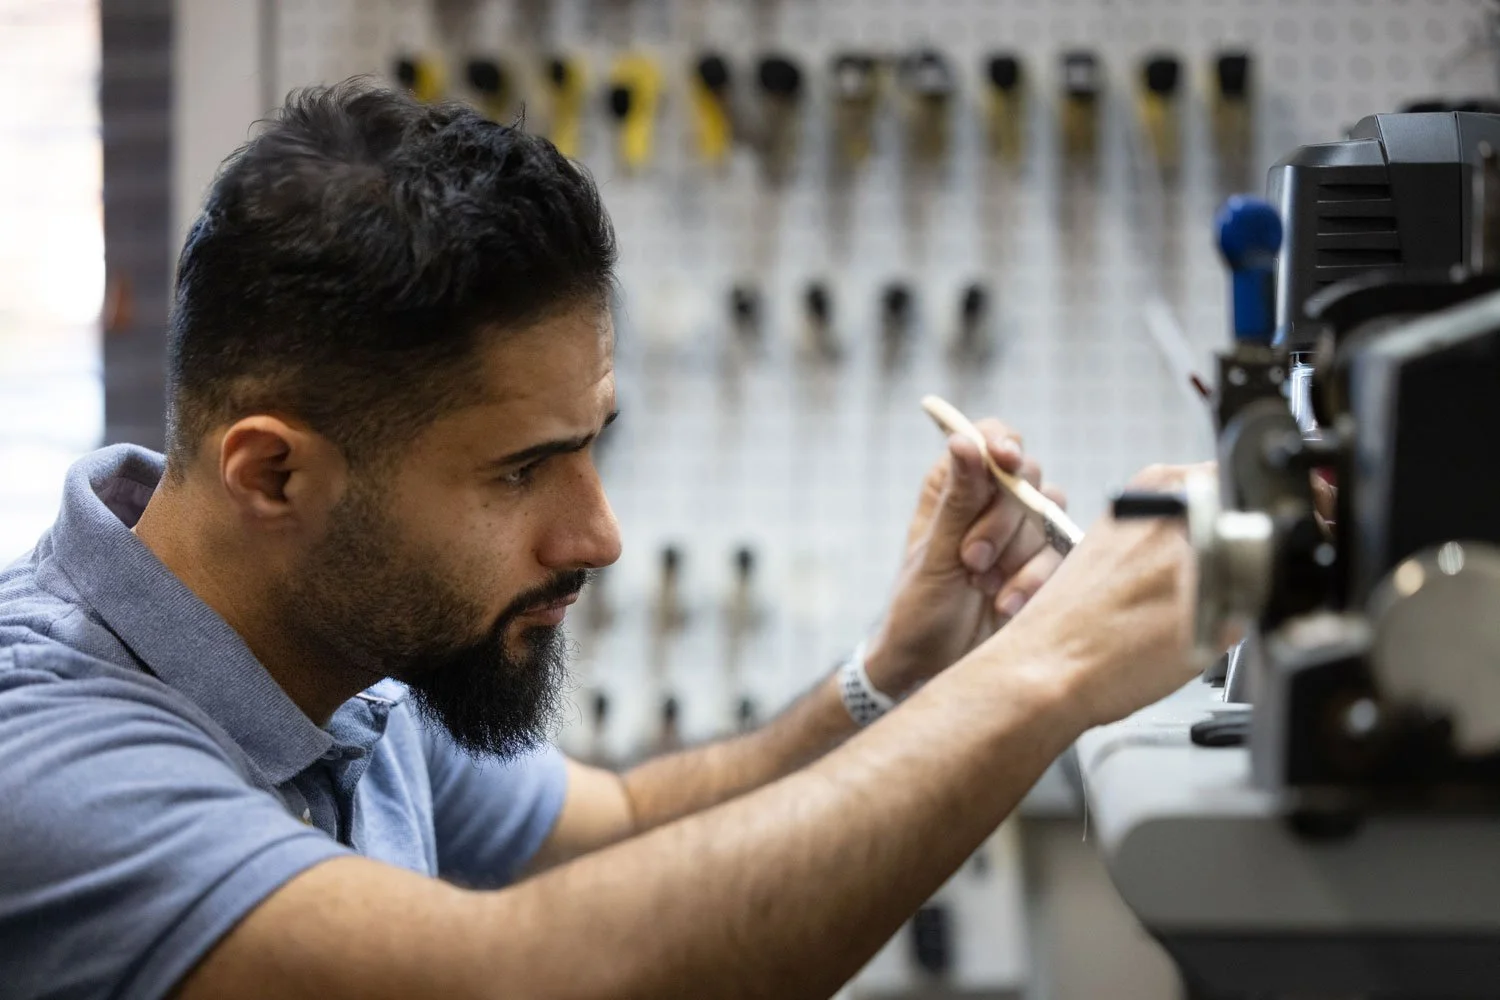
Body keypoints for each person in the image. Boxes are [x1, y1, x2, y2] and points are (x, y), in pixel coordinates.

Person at [0, 80, 1199, 1000]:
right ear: (275, 473)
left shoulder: (346, 664)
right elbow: (530, 975)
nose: (599, 533)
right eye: (523, 469)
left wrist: (899, 675)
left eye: (593, 446)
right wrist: (1051, 671)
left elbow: (618, 833)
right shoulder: (45, 747)